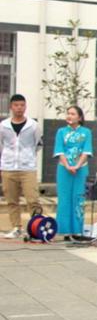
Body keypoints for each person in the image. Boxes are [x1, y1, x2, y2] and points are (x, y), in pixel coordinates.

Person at [1, 94, 42, 239]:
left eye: (22, 105)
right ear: (11, 107)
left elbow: (38, 144)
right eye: (16, 105)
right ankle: (16, 228)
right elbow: (1, 145)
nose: (19, 108)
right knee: (12, 200)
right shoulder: (3, 126)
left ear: (25, 106)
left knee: (33, 199)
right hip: (8, 167)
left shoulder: (33, 125)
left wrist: (28, 155)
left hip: (27, 168)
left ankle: (37, 227)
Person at [53, 106, 93, 242]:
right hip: (64, 169)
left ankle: (77, 231)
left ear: (79, 117)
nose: (69, 116)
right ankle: (65, 231)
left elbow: (86, 151)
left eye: (73, 114)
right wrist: (67, 165)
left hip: (81, 170)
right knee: (64, 198)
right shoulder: (61, 132)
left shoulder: (86, 132)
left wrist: (77, 165)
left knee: (78, 198)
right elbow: (59, 150)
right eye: (68, 113)